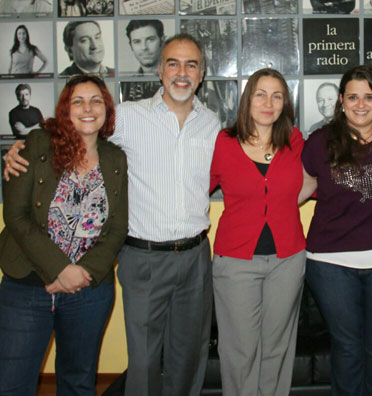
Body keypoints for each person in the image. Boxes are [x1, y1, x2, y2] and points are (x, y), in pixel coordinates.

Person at [4, 33, 221, 396]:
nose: (181, 72)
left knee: (189, 357)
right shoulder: (126, 118)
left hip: (196, 256)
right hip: (144, 257)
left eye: (191, 65)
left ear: (201, 74)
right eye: (173, 63)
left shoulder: (213, 124)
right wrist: (21, 147)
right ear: (159, 70)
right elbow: (76, 125)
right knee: (145, 362)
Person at [0, 74, 128, 396]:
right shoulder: (37, 145)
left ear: (106, 109)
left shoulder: (115, 159)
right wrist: (61, 270)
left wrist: (81, 273)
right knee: (13, 383)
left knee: (78, 383)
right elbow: (16, 215)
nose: (88, 108)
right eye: (78, 101)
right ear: (65, 109)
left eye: (96, 100)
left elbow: (116, 228)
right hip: (28, 287)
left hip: (88, 290)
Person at [298, 65, 372, 395]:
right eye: (353, 97)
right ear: (341, 101)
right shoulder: (320, 142)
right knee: (348, 350)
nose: (360, 104)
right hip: (330, 262)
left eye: (368, 96)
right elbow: (299, 188)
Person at [209, 68, 306, 396]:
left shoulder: (295, 140)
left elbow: (319, 176)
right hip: (236, 260)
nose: (269, 102)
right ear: (247, 99)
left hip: (288, 259)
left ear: (285, 103)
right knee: (239, 350)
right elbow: (194, 189)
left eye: (277, 95)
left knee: (277, 346)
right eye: (261, 94)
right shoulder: (223, 142)